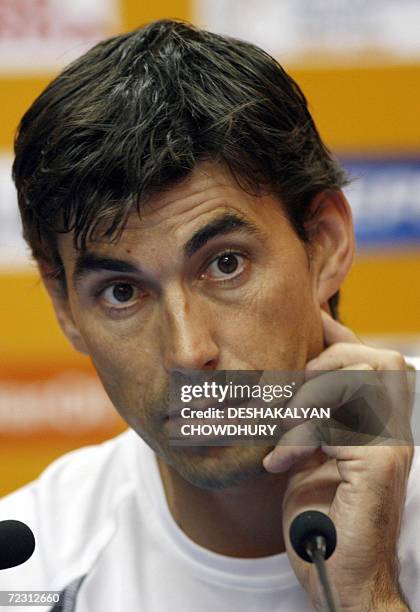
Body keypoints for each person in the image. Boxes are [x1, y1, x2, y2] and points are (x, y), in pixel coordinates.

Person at [1, 18, 419, 611]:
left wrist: (366, 597)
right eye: (122, 292)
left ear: (323, 245)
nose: (187, 352)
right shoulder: (25, 569)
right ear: (65, 307)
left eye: (225, 264)